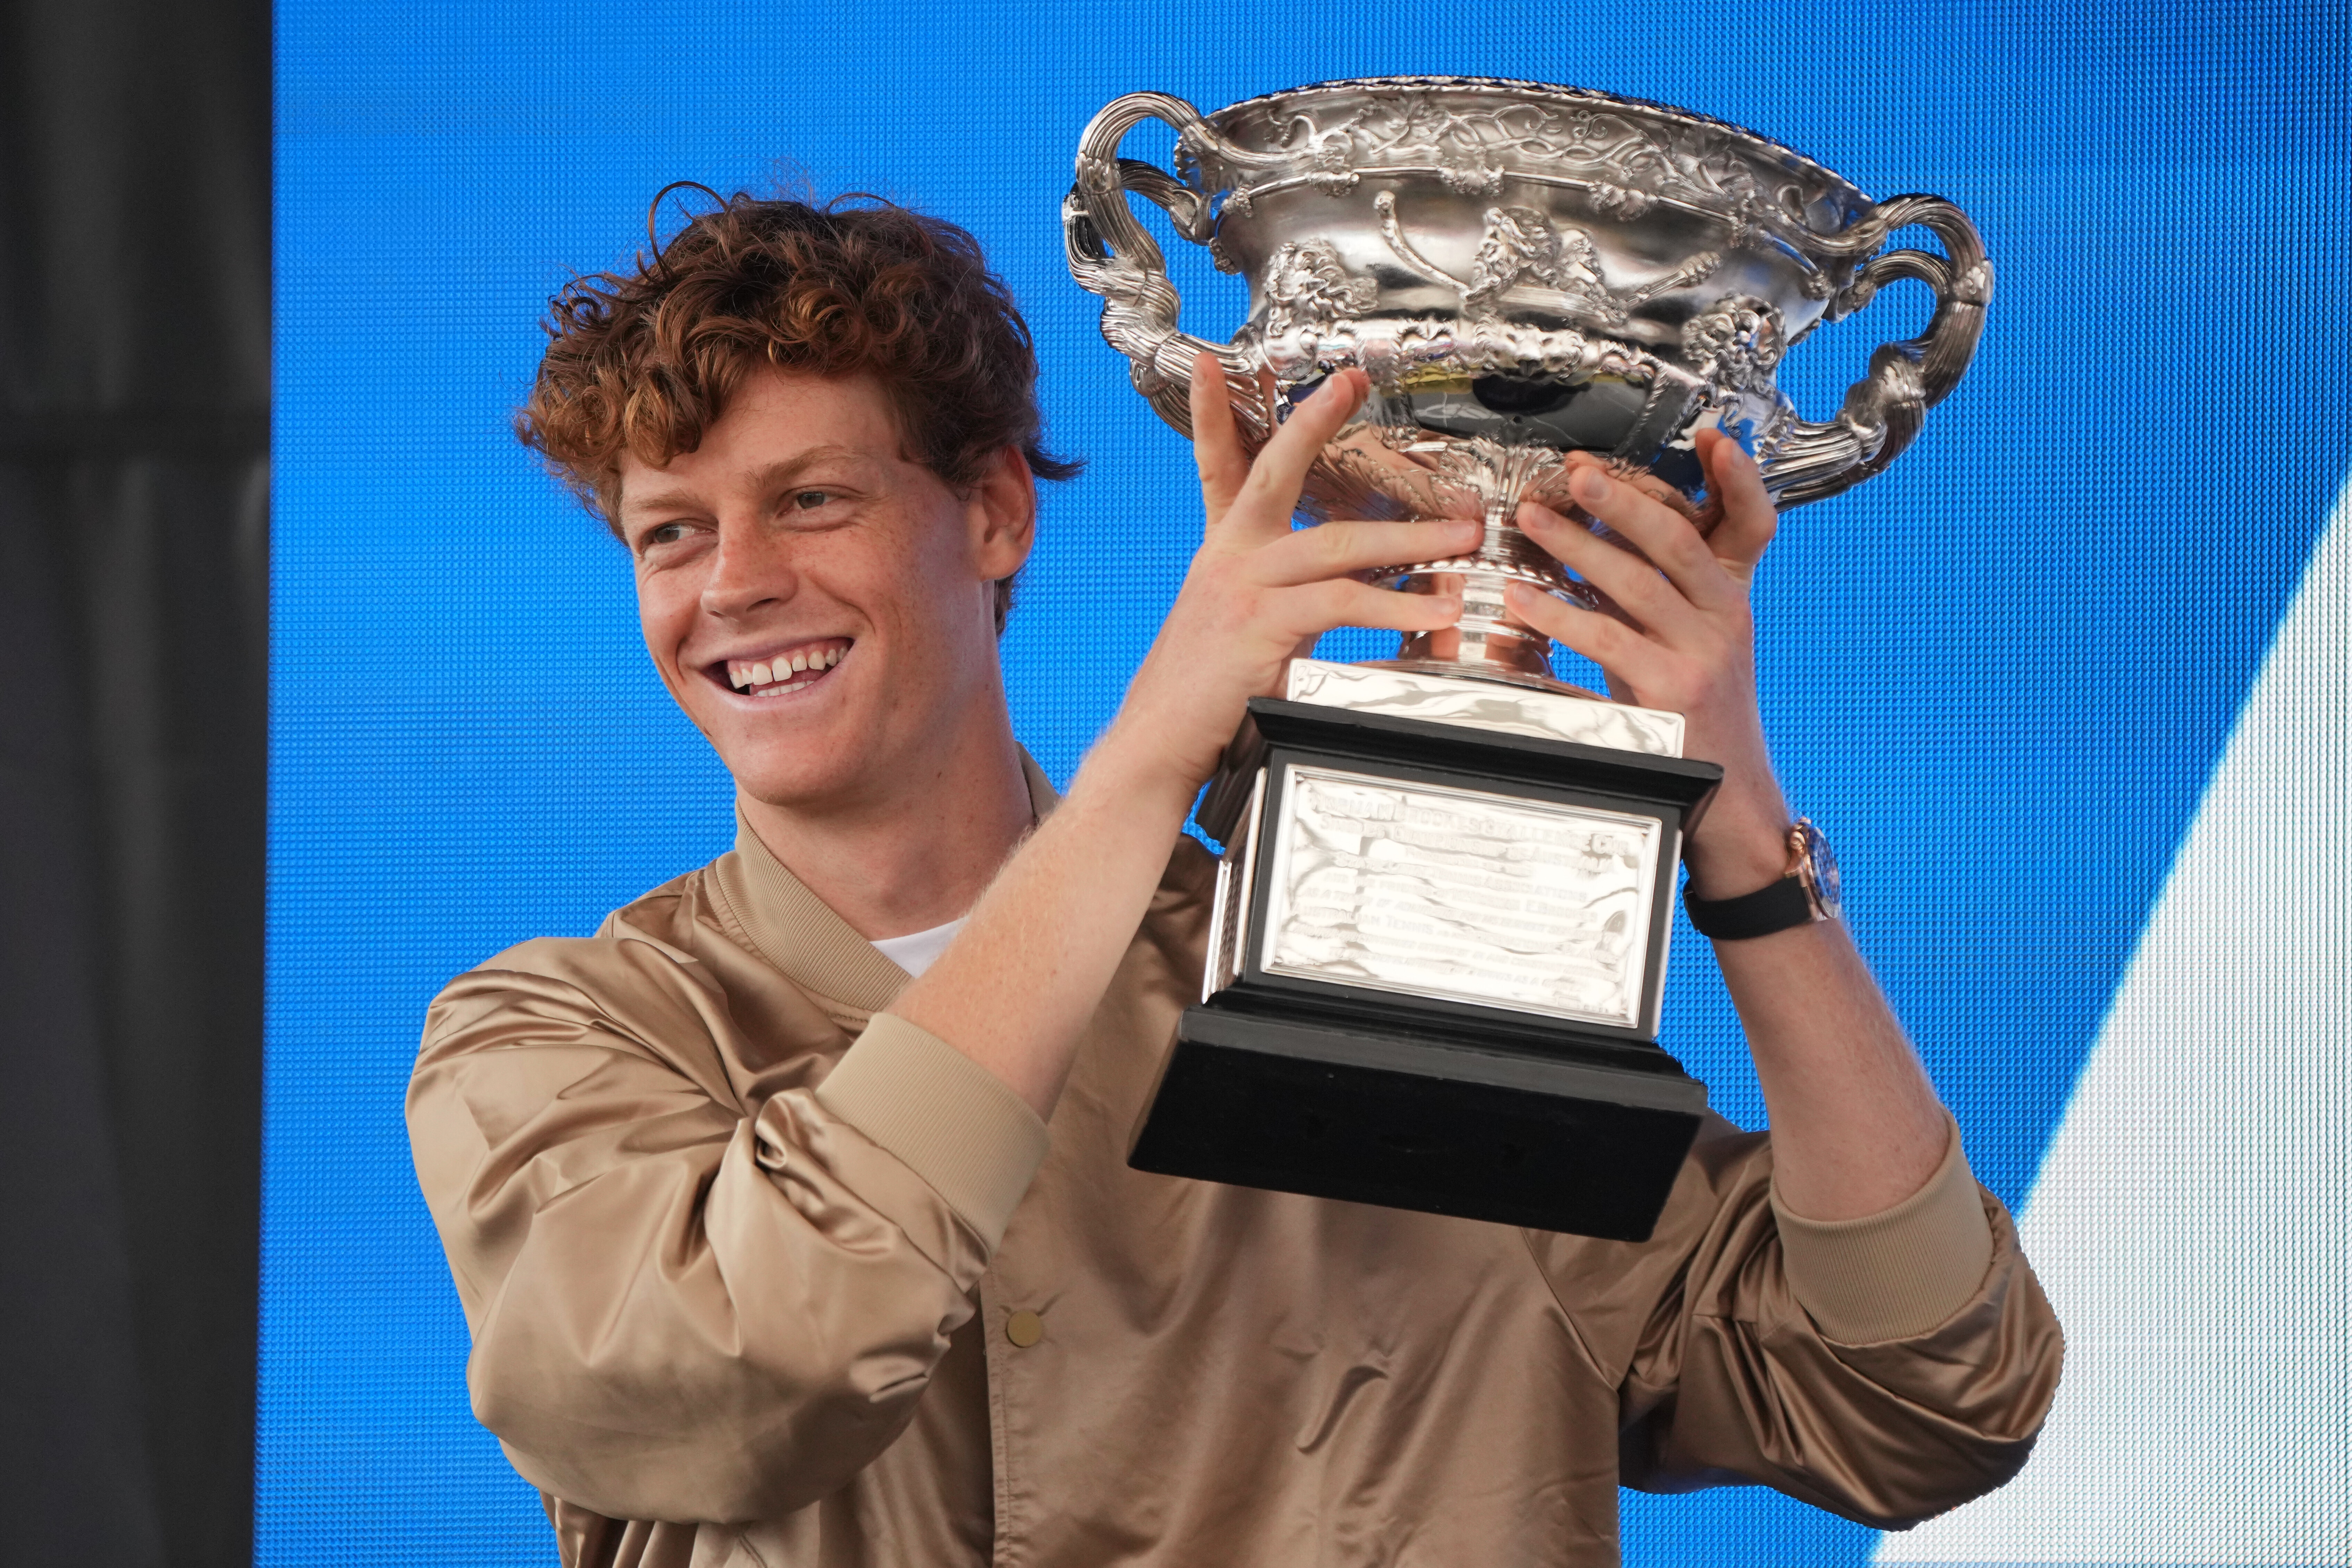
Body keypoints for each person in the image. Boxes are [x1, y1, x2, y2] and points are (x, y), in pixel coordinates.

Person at [407, 192, 2061, 1568]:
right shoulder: (555, 1040)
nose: (738, 586)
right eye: (669, 534)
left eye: (811, 499)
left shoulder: (1383, 969)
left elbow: (1927, 1396)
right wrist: (1151, 761)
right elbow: (737, 1363)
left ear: (991, 514)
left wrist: (1738, 833)